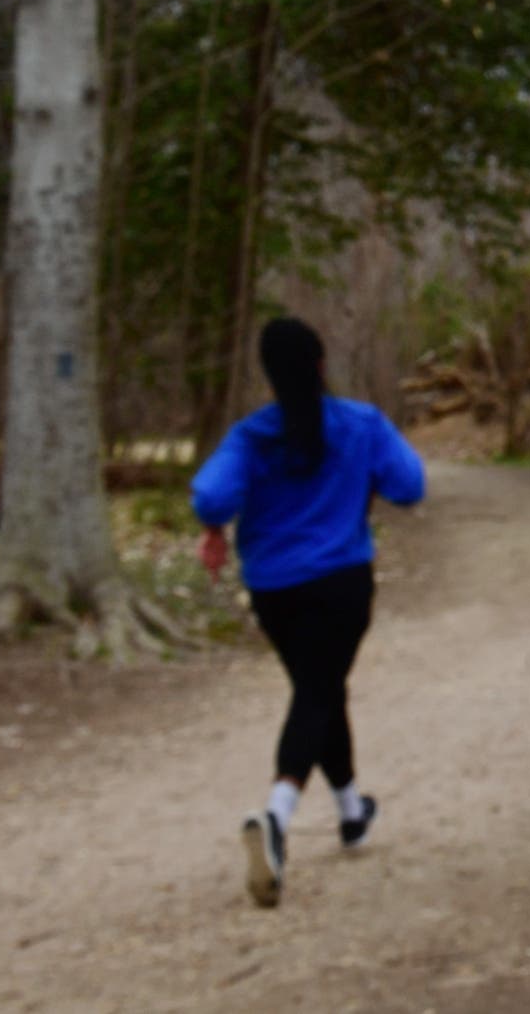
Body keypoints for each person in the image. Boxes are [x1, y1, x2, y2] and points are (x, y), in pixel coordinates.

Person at [192, 317, 426, 907]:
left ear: (268, 375)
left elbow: (211, 496)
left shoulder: (251, 436)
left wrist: (215, 526)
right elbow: (410, 484)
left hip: (274, 591)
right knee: (318, 693)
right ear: (321, 365)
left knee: (319, 689)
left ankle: (352, 813)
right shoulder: (360, 424)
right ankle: (277, 815)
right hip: (342, 584)